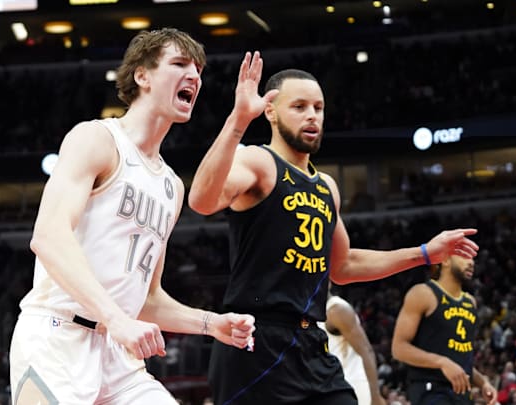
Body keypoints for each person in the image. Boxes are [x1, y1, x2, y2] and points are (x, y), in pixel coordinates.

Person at [187, 52, 480, 404]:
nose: (312, 115)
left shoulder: (326, 186)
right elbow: (202, 201)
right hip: (256, 343)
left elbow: (343, 267)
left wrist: (423, 254)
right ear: (270, 112)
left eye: (318, 107)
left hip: (311, 345)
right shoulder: (259, 161)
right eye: (299, 106)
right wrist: (237, 121)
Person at [9, 28, 255, 405]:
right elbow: (48, 237)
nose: (195, 76)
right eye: (179, 64)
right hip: (57, 334)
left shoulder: (171, 187)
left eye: (199, 70)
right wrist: (117, 319)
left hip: (116, 351)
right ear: (142, 75)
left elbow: (147, 300)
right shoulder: (96, 139)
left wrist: (211, 324)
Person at [391, 255, 497, 405]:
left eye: (472, 258)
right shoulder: (423, 293)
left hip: (462, 393)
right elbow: (399, 348)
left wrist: (483, 383)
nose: (471, 263)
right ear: (445, 260)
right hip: (431, 389)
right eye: (464, 257)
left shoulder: (470, 302)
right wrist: (441, 362)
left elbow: (460, 360)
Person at [318, 290, 387, 405]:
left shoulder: (337, 310)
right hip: (331, 387)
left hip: (352, 384)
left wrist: (375, 396)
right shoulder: (310, 311)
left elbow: (367, 351)